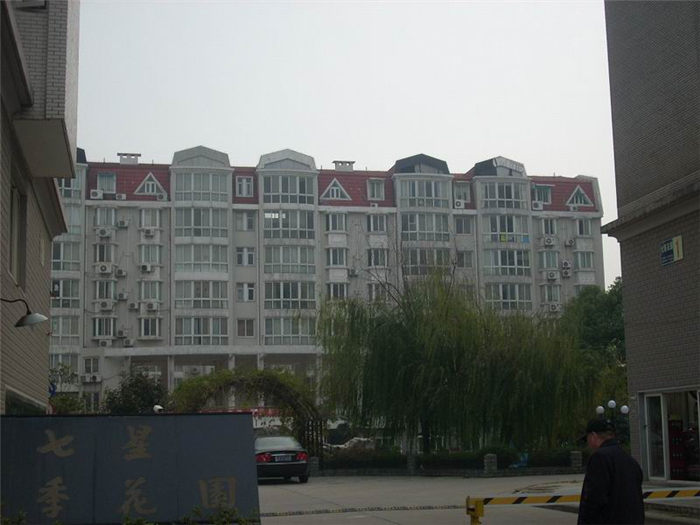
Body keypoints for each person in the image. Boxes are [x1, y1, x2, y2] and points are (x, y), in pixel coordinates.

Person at [578, 418, 644, 524]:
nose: (588, 444)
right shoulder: (630, 461)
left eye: (587, 439)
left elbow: (594, 499)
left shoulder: (599, 458)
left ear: (593, 436)